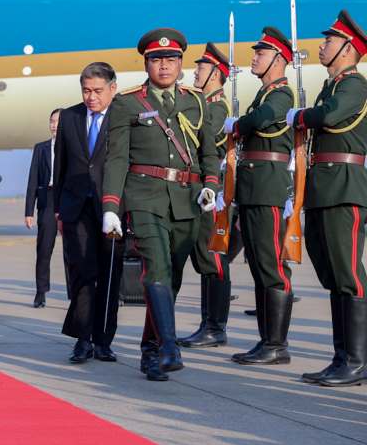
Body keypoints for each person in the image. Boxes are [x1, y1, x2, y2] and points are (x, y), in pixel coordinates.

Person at [102, 28, 220, 382]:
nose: (164, 66)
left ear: (180, 63)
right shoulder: (127, 103)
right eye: (157, 60)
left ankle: (151, 348)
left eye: (171, 60)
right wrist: (111, 206)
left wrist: (211, 185)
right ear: (147, 64)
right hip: (145, 197)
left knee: (172, 279)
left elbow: (208, 151)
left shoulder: (195, 101)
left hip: (187, 201)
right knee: (156, 269)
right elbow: (117, 159)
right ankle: (169, 347)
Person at [291, 10, 367, 387]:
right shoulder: (331, 86)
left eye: (329, 42)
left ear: (348, 48)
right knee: (331, 273)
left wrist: (302, 114)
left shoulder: (353, 86)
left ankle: (356, 359)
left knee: (348, 274)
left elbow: (330, 117)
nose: (321, 47)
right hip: (323, 187)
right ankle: (341, 357)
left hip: (344, 188)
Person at [221, 27, 295, 365]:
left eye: (261, 53)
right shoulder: (263, 94)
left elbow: (261, 120)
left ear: (279, 59)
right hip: (252, 186)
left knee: (271, 266)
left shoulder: (280, 95)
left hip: (267, 187)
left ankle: (276, 345)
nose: (254, 58)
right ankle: (266, 340)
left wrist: (239, 124)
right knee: (259, 267)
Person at [55, 63, 122, 363]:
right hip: (76, 206)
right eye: (86, 91)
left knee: (109, 274)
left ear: (112, 88)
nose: (91, 97)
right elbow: (61, 166)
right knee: (83, 271)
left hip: (112, 207)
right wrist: (58, 209)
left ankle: (104, 339)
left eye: (97, 91)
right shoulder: (70, 117)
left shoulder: (124, 117)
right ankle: (83, 339)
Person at [179, 42, 244, 348]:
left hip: (212, 193)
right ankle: (208, 323)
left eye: (201, 68)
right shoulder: (204, 105)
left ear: (216, 74)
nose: (195, 72)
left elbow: (200, 141)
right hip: (199, 192)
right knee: (204, 258)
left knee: (213, 258)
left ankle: (215, 326)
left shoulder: (215, 108)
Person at [25, 108, 61, 308]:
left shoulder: (74, 147)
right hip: (47, 198)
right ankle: (41, 291)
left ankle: (74, 292)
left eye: (58, 121)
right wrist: (29, 211)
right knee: (44, 248)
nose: (54, 125)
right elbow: (32, 180)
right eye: (52, 121)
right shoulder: (41, 148)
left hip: (67, 199)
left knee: (72, 251)